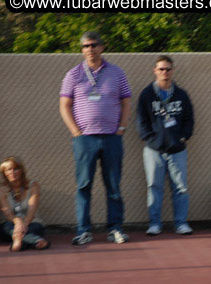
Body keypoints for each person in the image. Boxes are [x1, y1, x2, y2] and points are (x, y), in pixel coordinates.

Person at [59, 31, 131, 246]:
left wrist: (121, 129)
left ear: (102, 47)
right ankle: (83, 231)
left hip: (112, 138)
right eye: (85, 46)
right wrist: (75, 132)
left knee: (114, 186)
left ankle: (115, 229)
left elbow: (126, 101)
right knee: (83, 186)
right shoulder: (73, 74)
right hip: (84, 140)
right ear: (82, 50)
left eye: (93, 45)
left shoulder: (117, 73)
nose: (90, 49)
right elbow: (64, 105)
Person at [136, 55, 195, 236]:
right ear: (155, 71)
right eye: (161, 69)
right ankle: (154, 223)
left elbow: (189, 119)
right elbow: (141, 120)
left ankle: (181, 223)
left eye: (168, 69)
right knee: (154, 186)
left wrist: (183, 137)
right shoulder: (147, 94)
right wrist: (151, 139)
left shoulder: (181, 94)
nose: (165, 72)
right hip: (154, 150)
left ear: (173, 71)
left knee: (180, 187)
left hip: (177, 149)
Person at [0, 157, 49, 252]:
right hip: (11, 223)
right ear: (4, 173)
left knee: (35, 228)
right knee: (5, 229)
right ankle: (37, 241)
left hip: (32, 222)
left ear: (21, 170)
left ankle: (18, 241)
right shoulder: (1, 189)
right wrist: (18, 222)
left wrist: (24, 225)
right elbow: (7, 213)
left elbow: (32, 211)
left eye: (16, 169)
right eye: (9, 169)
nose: (12, 172)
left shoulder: (33, 186)